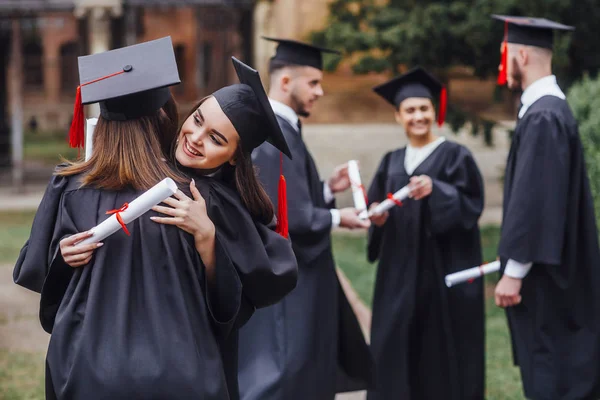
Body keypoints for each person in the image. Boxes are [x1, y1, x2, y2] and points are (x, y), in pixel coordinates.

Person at [13, 38, 297, 400]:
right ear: (168, 112)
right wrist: (66, 258)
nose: (194, 138)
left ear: (232, 158)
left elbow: (41, 281)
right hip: (184, 374)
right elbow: (240, 299)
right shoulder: (204, 199)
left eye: (215, 139)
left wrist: (208, 239)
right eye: (196, 120)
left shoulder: (71, 189)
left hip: (86, 372)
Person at [237, 37, 375, 400]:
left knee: (305, 363)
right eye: (313, 82)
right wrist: (336, 217)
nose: (321, 91)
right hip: (288, 281)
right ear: (285, 82)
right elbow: (285, 215)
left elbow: (288, 194)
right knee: (288, 366)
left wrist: (327, 189)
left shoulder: (283, 127)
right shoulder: (272, 133)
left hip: (300, 277)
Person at [492, 15, 600, 399]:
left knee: (551, 372)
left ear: (520, 54)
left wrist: (515, 270)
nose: (501, 64)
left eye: (504, 55)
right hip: (554, 269)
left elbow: (536, 199)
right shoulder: (547, 110)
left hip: (546, 277)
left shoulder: (544, 116)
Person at [366, 66, 485, 400]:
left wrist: (438, 191)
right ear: (398, 116)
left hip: (440, 274)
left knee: (439, 356)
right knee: (393, 347)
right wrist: (376, 220)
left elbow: (471, 207)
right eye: (410, 110)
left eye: (424, 108)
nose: (418, 116)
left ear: (435, 111)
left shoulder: (456, 157)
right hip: (397, 276)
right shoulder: (391, 161)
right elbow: (376, 208)